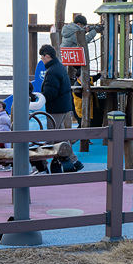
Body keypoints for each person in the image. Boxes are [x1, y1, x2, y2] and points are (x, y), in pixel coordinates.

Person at [39, 44, 84, 172]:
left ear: (47, 56)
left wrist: (39, 97)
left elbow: (50, 93)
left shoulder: (53, 70)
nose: (42, 60)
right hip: (64, 106)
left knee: (50, 136)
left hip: (56, 108)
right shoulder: (60, 67)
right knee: (61, 136)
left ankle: (42, 164)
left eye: (42, 57)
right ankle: (74, 161)